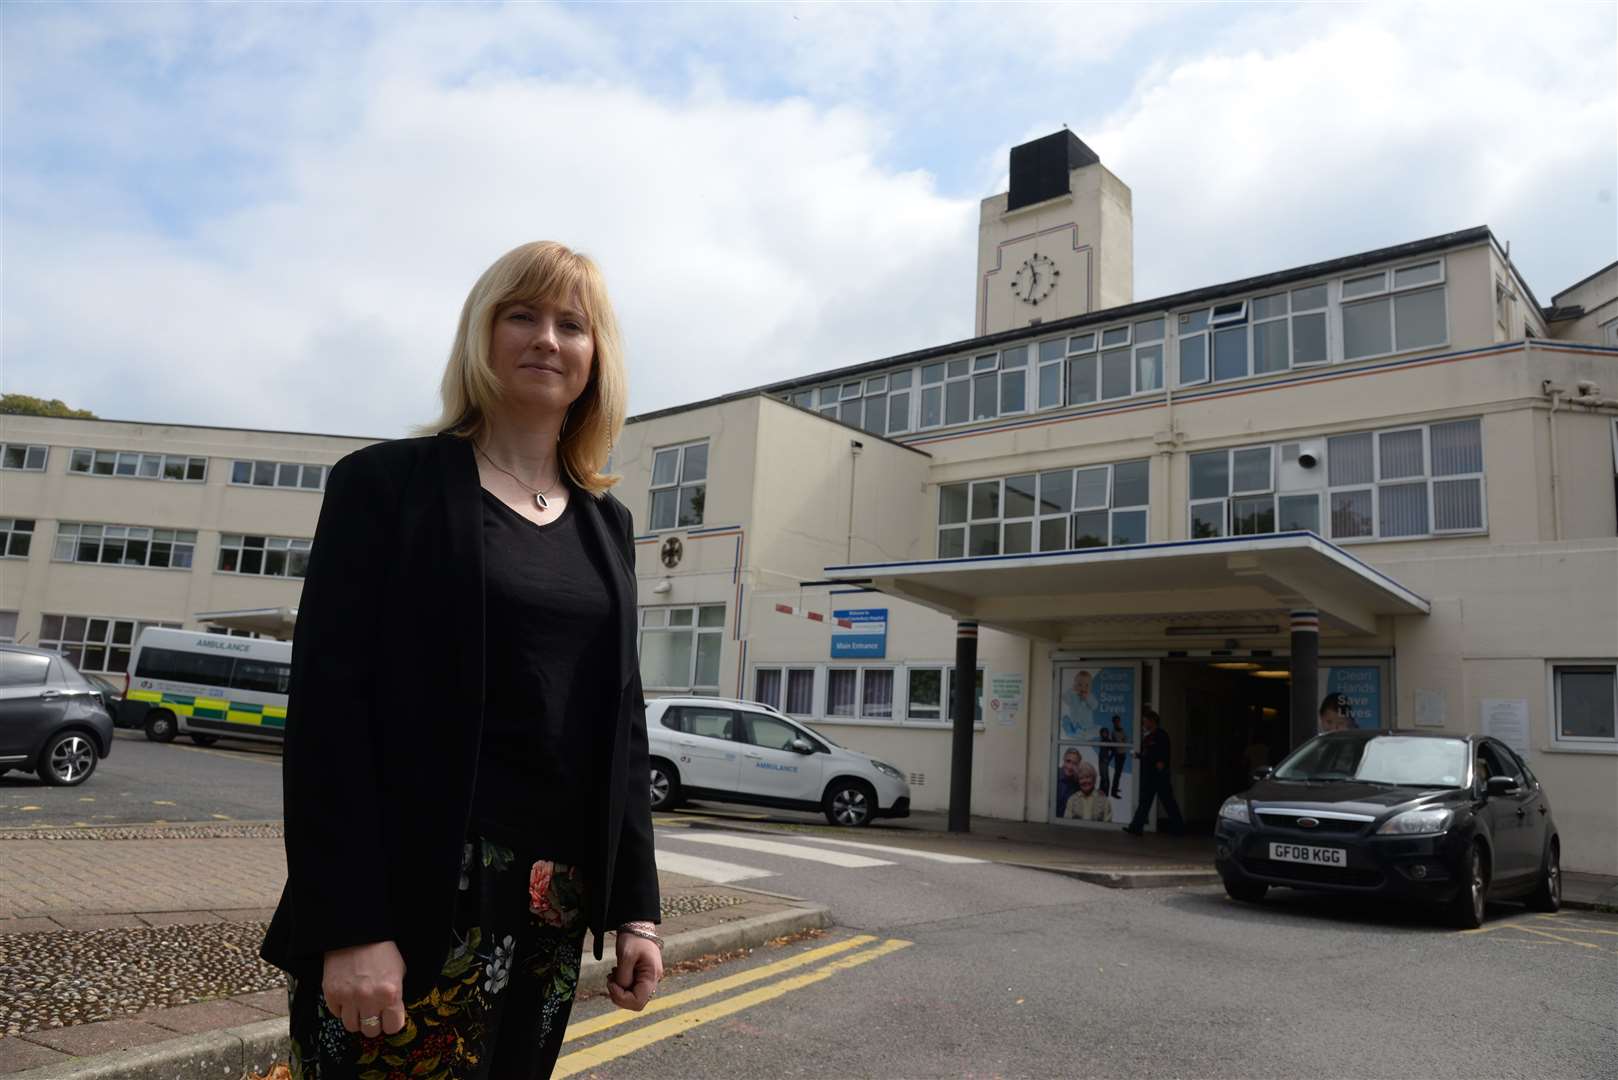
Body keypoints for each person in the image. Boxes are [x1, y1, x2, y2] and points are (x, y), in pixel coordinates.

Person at [259, 241, 663, 1079]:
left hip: (553, 903)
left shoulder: (607, 525)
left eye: (571, 324)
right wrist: (351, 925)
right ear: (481, 335)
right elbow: (330, 716)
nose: (546, 339)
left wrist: (637, 912)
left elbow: (621, 726)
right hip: (412, 901)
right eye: (521, 314)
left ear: (597, 356)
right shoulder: (384, 485)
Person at [1125, 706, 1184, 835]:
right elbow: (1148, 754)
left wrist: (1143, 757)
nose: (1144, 724)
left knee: (1168, 801)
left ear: (1152, 721)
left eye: (1145, 721)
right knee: (1145, 802)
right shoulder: (1148, 737)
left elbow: (1158, 755)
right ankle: (1136, 827)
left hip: (1159, 775)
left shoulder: (1161, 736)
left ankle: (1178, 828)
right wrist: (1140, 755)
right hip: (1149, 775)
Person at [1060, 669, 1098, 740]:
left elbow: (1094, 706)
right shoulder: (1072, 695)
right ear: (1075, 685)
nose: (1083, 687)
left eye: (1087, 685)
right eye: (1080, 685)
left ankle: (1085, 734)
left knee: (1088, 734)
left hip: (1087, 725)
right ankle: (1075, 732)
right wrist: (1072, 690)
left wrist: (1087, 699)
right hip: (1075, 723)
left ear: (1091, 687)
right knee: (1074, 733)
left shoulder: (1090, 696)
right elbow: (1065, 699)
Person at [1055, 747, 1084, 815]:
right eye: (1068, 761)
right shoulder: (1053, 774)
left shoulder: (1079, 784)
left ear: (1078, 765)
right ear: (1063, 759)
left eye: (1075, 763)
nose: (1070, 766)